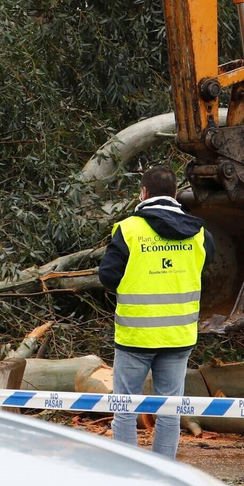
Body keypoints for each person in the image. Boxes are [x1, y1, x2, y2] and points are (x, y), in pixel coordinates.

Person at [97, 168, 211, 460]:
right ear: (174, 194)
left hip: (135, 336)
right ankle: (166, 475)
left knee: (124, 409)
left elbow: (108, 276)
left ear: (143, 193)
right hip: (178, 337)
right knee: (170, 411)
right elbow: (204, 269)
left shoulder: (129, 229)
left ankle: (128, 474)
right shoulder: (198, 232)